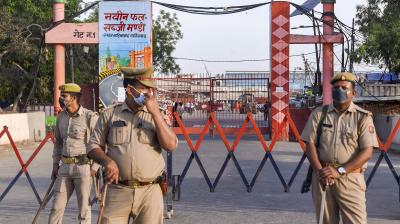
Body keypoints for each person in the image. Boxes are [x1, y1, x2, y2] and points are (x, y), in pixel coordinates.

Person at [88, 66, 178, 224]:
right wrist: (107, 162)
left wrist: (156, 113)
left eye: (151, 90)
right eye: (144, 89)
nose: (149, 94)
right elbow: (93, 146)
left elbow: (170, 145)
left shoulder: (157, 115)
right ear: (130, 90)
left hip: (150, 191)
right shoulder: (110, 115)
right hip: (117, 190)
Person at [300, 72, 378, 224]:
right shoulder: (319, 114)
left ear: (353, 93)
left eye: (344, 87)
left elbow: (367, 152)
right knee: (326, 221)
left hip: (350, 179)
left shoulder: (362, 117)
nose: (339, 90)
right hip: (323, 178)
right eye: (336, 88)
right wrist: (319, 171)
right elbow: (309, 145)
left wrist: (339, 171)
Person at [49, 83, 100, 224]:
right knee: (56, 208)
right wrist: (55, 164)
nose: (61, 98)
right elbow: (58, 143)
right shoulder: (61, 118)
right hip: (64, 168)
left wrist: (95, 168)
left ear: (74, 98)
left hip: (83, 168)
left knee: (84, 211)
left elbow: (99, 143)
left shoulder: (90, 117)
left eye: (64, 96)